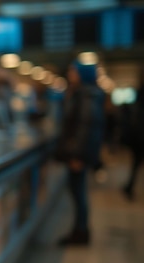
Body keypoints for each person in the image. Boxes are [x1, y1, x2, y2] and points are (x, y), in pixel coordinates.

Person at [54, 61, 105, 245]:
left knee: (78, 192)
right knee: (77, 192)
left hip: (79, 154)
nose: (70, 74)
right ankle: (80, 230)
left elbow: (85, 127)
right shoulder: (85, 94)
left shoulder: (86, 95)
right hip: (79, 152)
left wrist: (77, 155)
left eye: (73, 70)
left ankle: (81, 232)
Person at [122, 75, 144, 201]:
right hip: (139, 137)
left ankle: (129, 187)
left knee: (135, 164)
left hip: (138, 137)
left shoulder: (138, 95)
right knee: (136, 164)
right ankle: (129, 187)